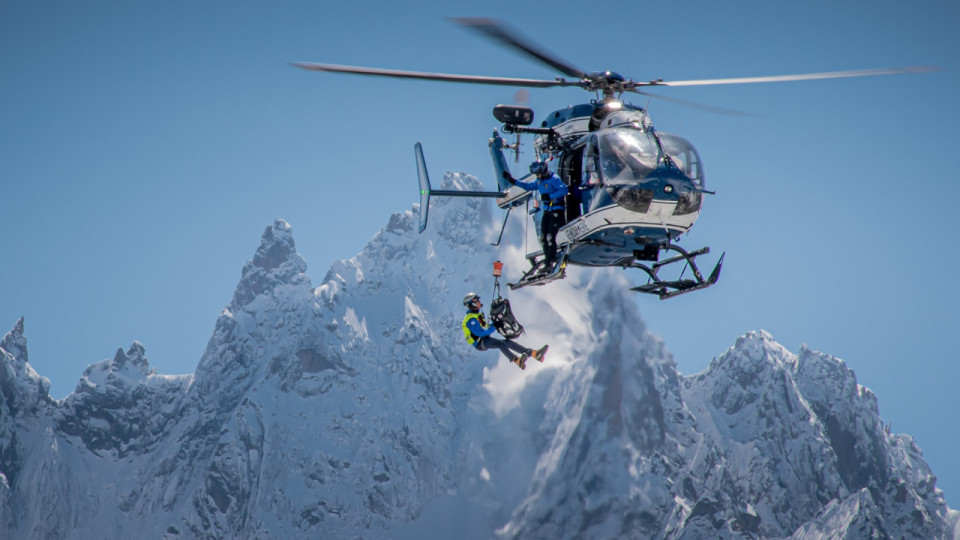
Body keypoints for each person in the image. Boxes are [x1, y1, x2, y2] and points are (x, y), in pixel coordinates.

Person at [503, 161, 568, 273]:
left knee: (549, 237)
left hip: (557, 211)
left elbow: (564, 189)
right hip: (547, 212)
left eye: (539, 174)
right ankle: (548, 260)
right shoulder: (539, 181)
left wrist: (550, 196)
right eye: (537, 175)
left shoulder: (554, 179)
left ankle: (550, 262)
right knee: (543, 237)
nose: (538, 177)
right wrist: (512, 180)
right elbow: (528, 186)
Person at [462, 292, 547, 370]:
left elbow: (485, 326)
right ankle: (517, 360)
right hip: (480, 342)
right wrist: (493, 327)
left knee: (508, 343)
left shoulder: (476, 315)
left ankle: (533, 353)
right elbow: (479, 333)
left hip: (484, 339)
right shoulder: (470, 319)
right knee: (501, 344)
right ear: (473, 304)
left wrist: (495, 323)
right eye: (477, 301)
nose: (479, 302)